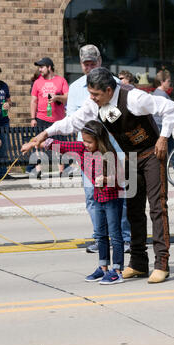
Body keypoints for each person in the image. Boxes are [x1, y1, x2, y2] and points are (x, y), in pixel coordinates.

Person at [21, 67, 174, 284]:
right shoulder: (94, 104)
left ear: (109, 90)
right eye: (90, 94)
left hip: (152, 153)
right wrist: (45, 133)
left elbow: (169, 108)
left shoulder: (133, 97)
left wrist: (163, 137)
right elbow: (73, 121)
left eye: (95, 94)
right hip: (130, 157)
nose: (92, 98)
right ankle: (139, 263)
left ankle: (162, 263)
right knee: (133, 211)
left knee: (158, 207)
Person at [41, 120, 125, 284]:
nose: (85, 144)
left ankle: (117, 271)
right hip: (98, 197)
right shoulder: (81, 149)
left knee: (115, 235)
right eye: (84, 140)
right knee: (100, 235)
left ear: (99, 140)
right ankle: (103, 268)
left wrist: (108, 179)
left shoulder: (110, 154)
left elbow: (121, 178)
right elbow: (63, 146)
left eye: (89, 142)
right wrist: (44, 141)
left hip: (112, 198)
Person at [67, 44, 131, 254]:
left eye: (93, 62)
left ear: (100, 61)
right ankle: (100, 237)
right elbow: (72, 122)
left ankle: (124, 238)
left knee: (119, 197)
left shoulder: (115, 85)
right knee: (92, 197)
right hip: (89, 155)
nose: (89, 66)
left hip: (114, 150)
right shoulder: (76, 88)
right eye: (86, 63)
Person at [30, 57, 69, 178]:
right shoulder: (37, 82)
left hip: (58, 119)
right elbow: (33, 101)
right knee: (38, 143)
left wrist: (57, 98)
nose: (40, 69)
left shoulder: (61, 81)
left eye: (42, 67)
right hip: (42, 118)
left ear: (49, 67)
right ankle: (38, 170)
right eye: (39, 67)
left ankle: (62, 171)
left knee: (59, 146)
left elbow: (67, 97)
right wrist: (33, 118)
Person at [153, 70, 174, 174]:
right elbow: (163, 109)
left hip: (160, 124)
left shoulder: (157, 93)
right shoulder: (161, 94)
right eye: (168, 81)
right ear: (162, 82)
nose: (169, 83)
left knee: (170, 146)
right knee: (166, 147)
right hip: (161, 124)